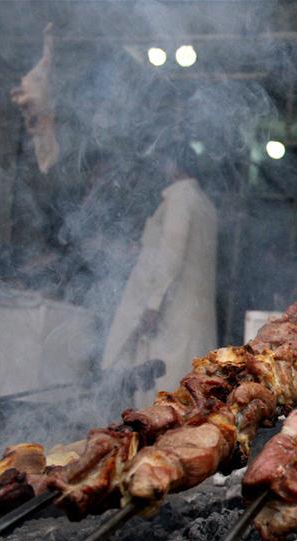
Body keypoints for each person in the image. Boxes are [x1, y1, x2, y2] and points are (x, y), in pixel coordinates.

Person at [101, 143, 217, 407]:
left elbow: (171, 256)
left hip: (171, 314)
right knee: (190, 391)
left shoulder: (180, 199)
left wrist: (153, 305)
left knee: (164, 391)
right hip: (191, 314)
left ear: (173, 165)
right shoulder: (205, 204)